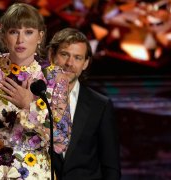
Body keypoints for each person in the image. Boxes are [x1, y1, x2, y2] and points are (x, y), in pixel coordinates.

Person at [0, 3, 71, 179]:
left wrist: (28, 106)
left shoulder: (55, 77)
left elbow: (61, 141)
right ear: (3, 35)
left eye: (28, 32)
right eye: (14, 31)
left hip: (32, 173)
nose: (20, 40)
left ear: (40, 36)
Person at [47, 28, 121, 179]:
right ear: (52, 55)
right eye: (64, 54)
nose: (69, 63)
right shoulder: (33, 98)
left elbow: (111, 165)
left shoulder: (100, 105)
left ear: (85, 63)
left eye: (77, 58)